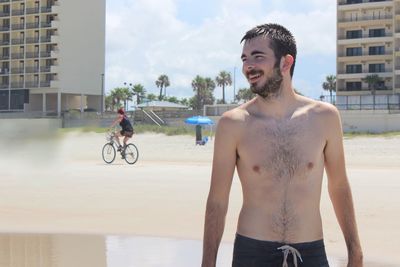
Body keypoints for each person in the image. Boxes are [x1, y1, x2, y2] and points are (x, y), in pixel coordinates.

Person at [201, 23, 363, 267]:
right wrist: (208, 263)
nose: (248, 66)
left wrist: (355, 253)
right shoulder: (233, 124)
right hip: (252, 253)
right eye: (245, 59)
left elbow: (339, 186)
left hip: (310, 254)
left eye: (258, 57)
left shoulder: (324, 118)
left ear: (286, 63)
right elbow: (217, 201)